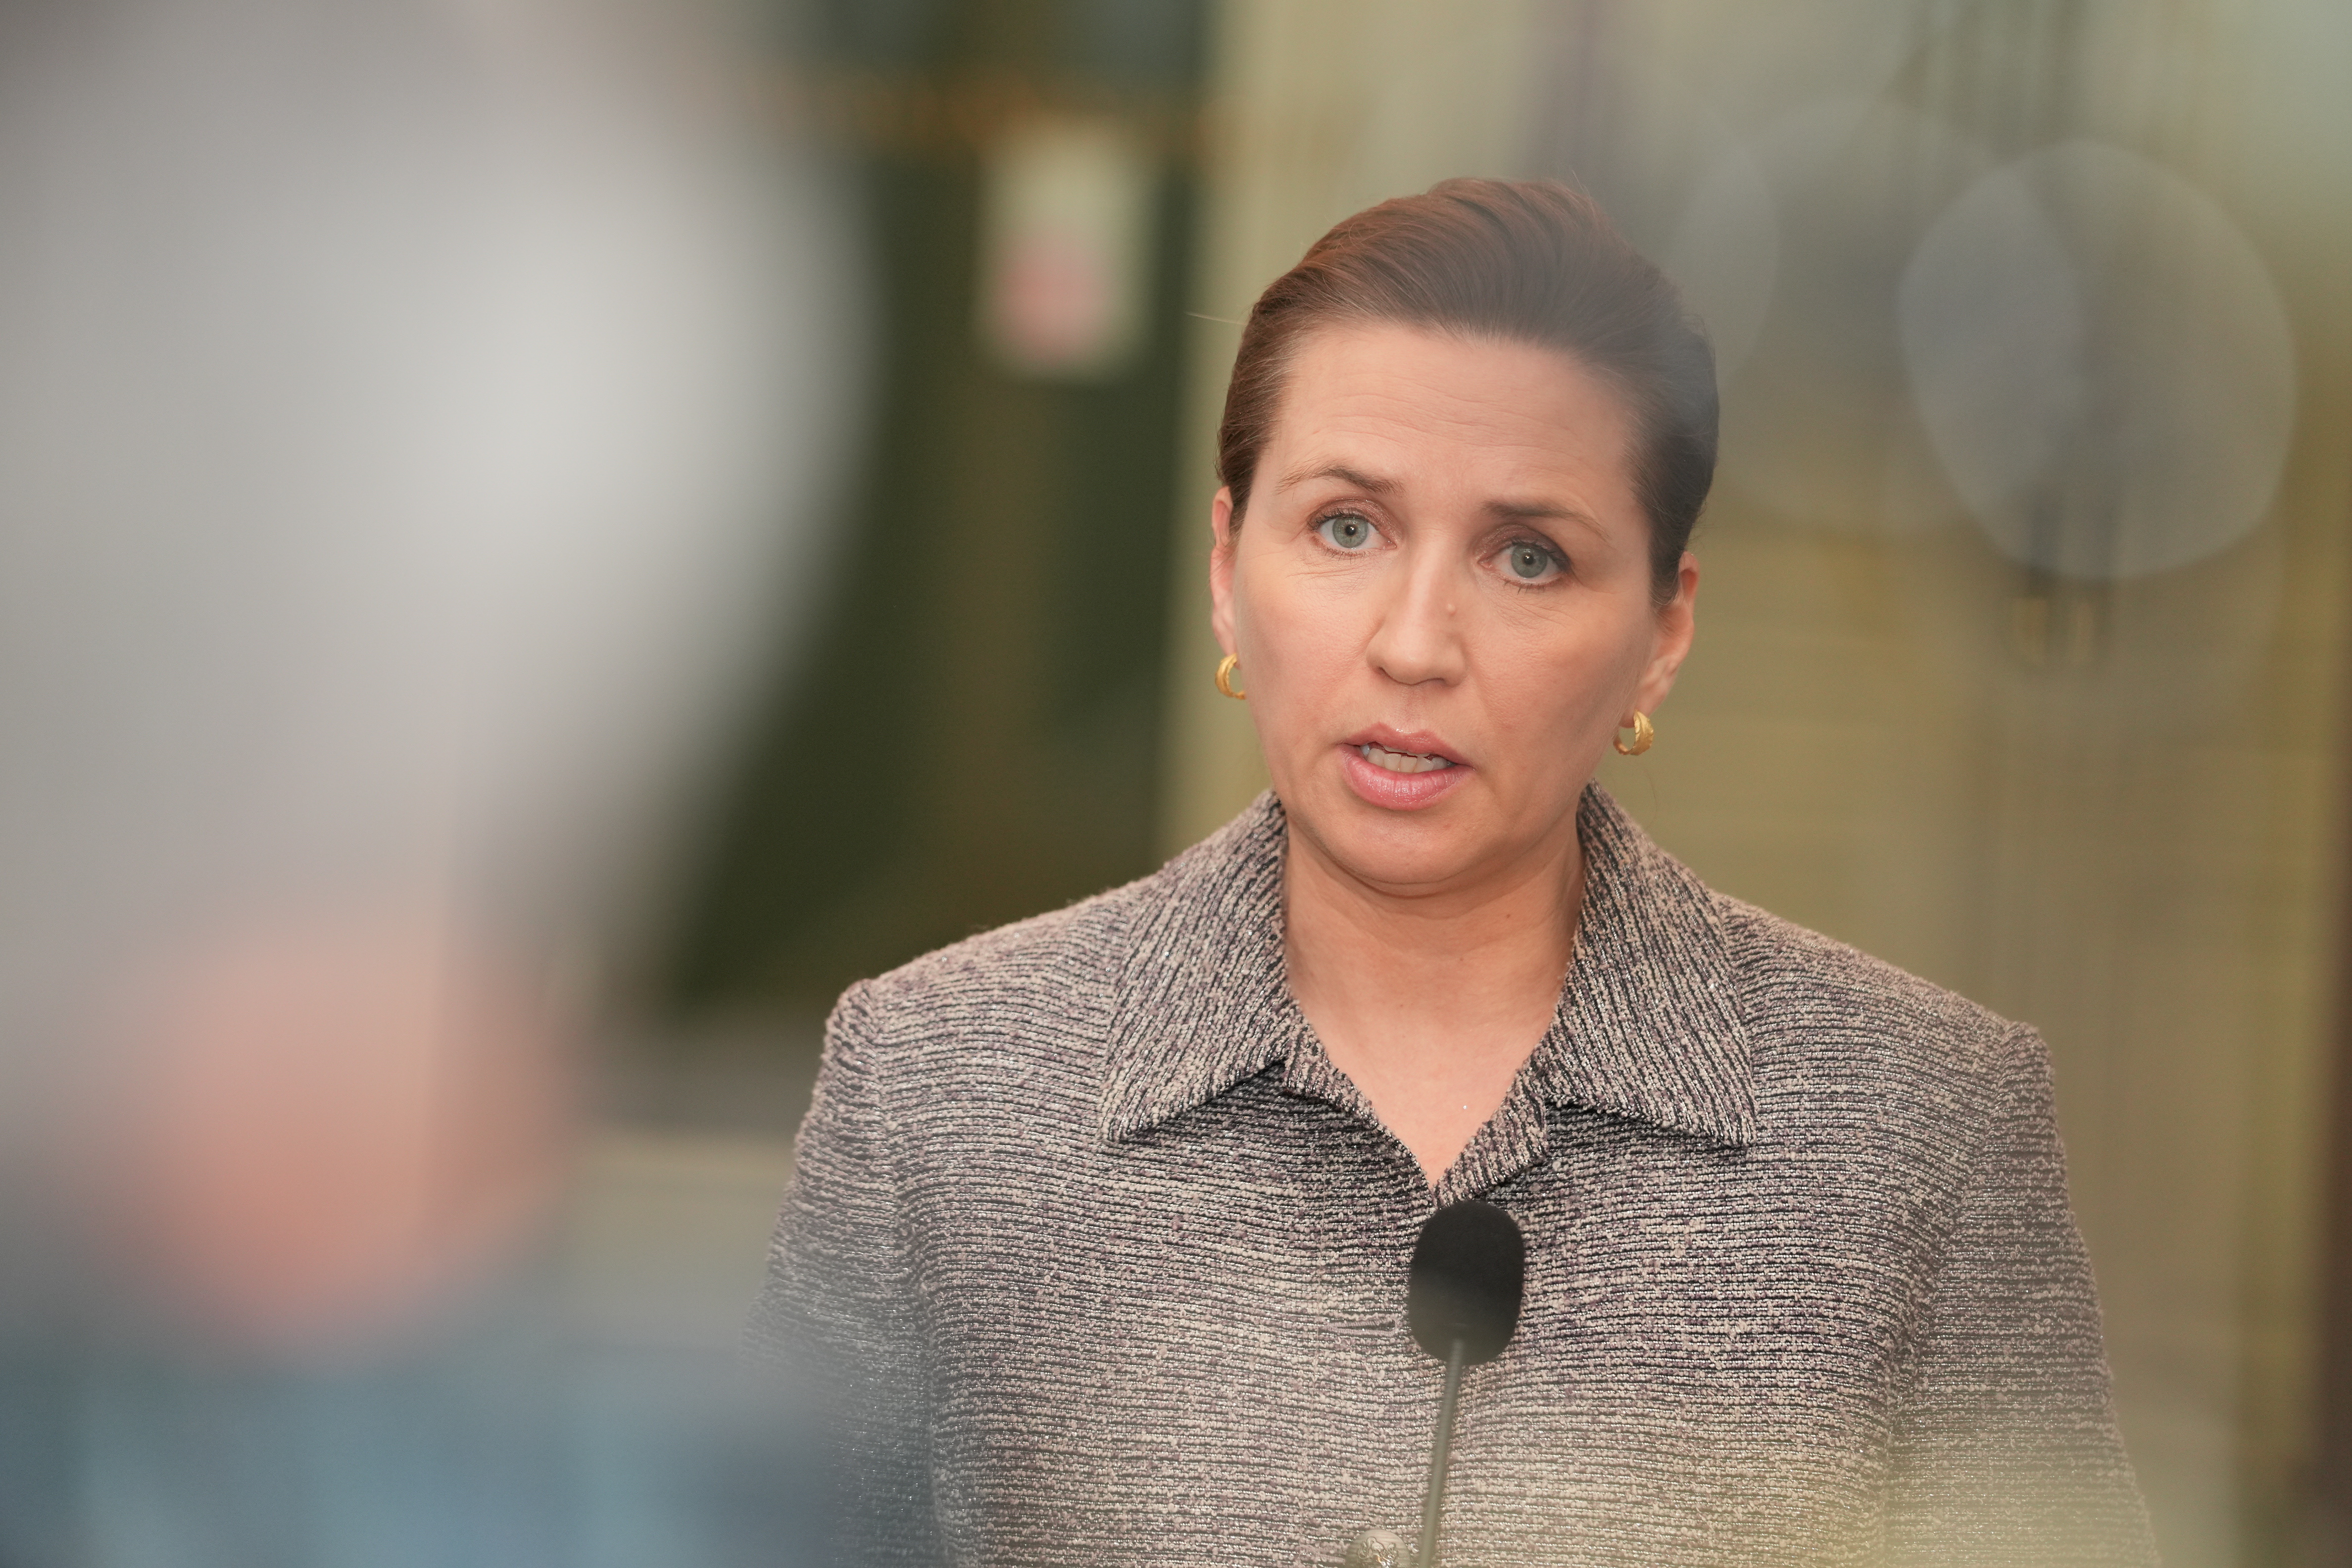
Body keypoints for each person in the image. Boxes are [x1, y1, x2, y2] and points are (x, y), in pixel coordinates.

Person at [750, 178, 2154, 1567]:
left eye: (1528, 558)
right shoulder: (938, 1082)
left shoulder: (1924, 1130)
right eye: (1346, 528)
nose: (1417, 644)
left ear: (1663, 631)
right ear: (1231, 562)